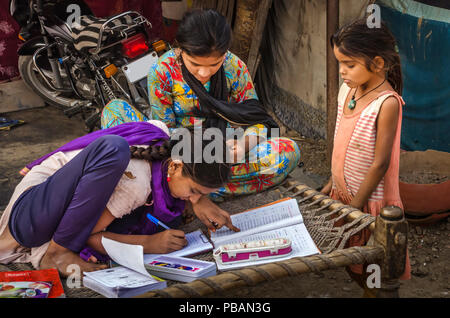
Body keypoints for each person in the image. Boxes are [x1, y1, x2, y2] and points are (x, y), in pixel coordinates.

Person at [101, 9, 301, 201]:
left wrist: (241, 146)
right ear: (180, 49)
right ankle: (199, 187)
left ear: (224, 54)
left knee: (287, 151)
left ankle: (185, 189)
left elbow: (258, 121)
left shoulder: (235, 67)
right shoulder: (162, 70)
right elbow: (164, 131)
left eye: (214, 65)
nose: (205, 73)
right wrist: (192, 161)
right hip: (180, 153)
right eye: (195, 65)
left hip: (223, 153)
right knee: (114, 111)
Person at [0, 120, 238, 277]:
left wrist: (201, 200)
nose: (193, 199)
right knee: (114, 149)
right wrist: (149, 244)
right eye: (195, 191)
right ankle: (56, 253)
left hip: (46, 210)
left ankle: (58, 249)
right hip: (30, 219)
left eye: (203, 195)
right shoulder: (136, 185)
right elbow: (90, 236)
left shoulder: (166, 141)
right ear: (174, 168)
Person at [321, 18, 411, 295]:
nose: (342, 72)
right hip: (344, 194)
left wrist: (356, 205)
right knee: (352, 263)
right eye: (339, 63)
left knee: (374, 266)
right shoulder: (347, 91)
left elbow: (380, 162)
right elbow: (341, 140)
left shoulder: (386, 103)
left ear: (378, 63)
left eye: (349, 65)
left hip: (368, 200)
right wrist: (332, 182)